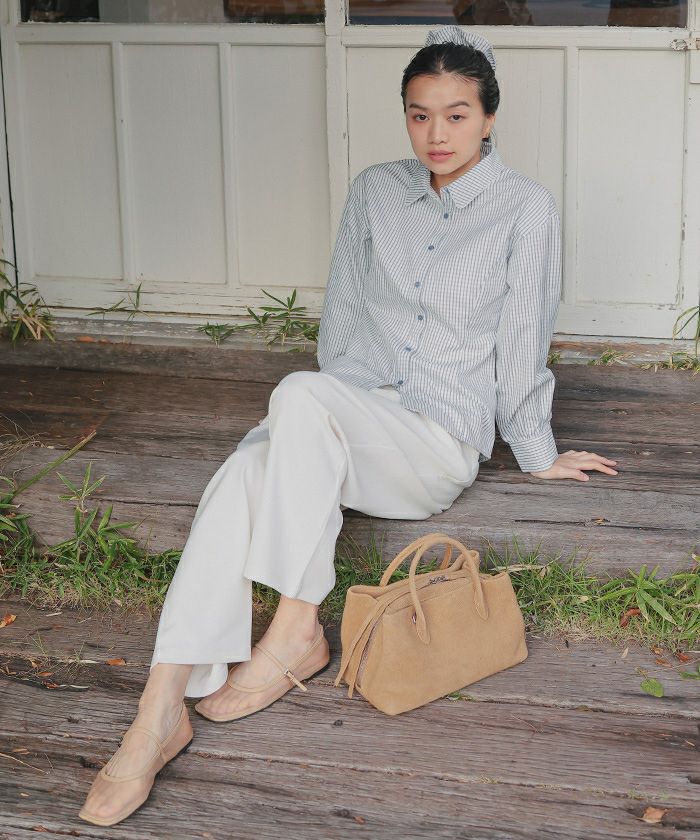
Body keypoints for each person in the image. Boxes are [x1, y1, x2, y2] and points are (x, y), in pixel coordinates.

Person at [78, 24, 618, 827]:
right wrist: (325, 420)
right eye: (420, 115)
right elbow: (343, 317)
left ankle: (295, 627)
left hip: (432, 441)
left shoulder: (525, 209)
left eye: (457, 115)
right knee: (249, 466)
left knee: (298, 399)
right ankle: (159, 710)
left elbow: (521, 342)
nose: (437, 134)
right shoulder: (374, 191)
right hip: (348, 410)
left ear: (489, 117)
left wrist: (536, 451)